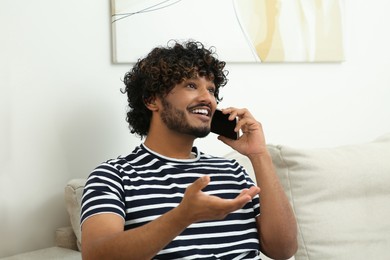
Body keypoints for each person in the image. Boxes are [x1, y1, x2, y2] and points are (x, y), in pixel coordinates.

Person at [80, 40, 297, 260]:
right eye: (191, 85)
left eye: (211, 90)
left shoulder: (233, 170)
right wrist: (182, 216)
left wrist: (259, 155)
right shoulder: (114, 176)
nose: (208, 98)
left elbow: (284, 250)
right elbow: (96, 255)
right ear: (152, 100)